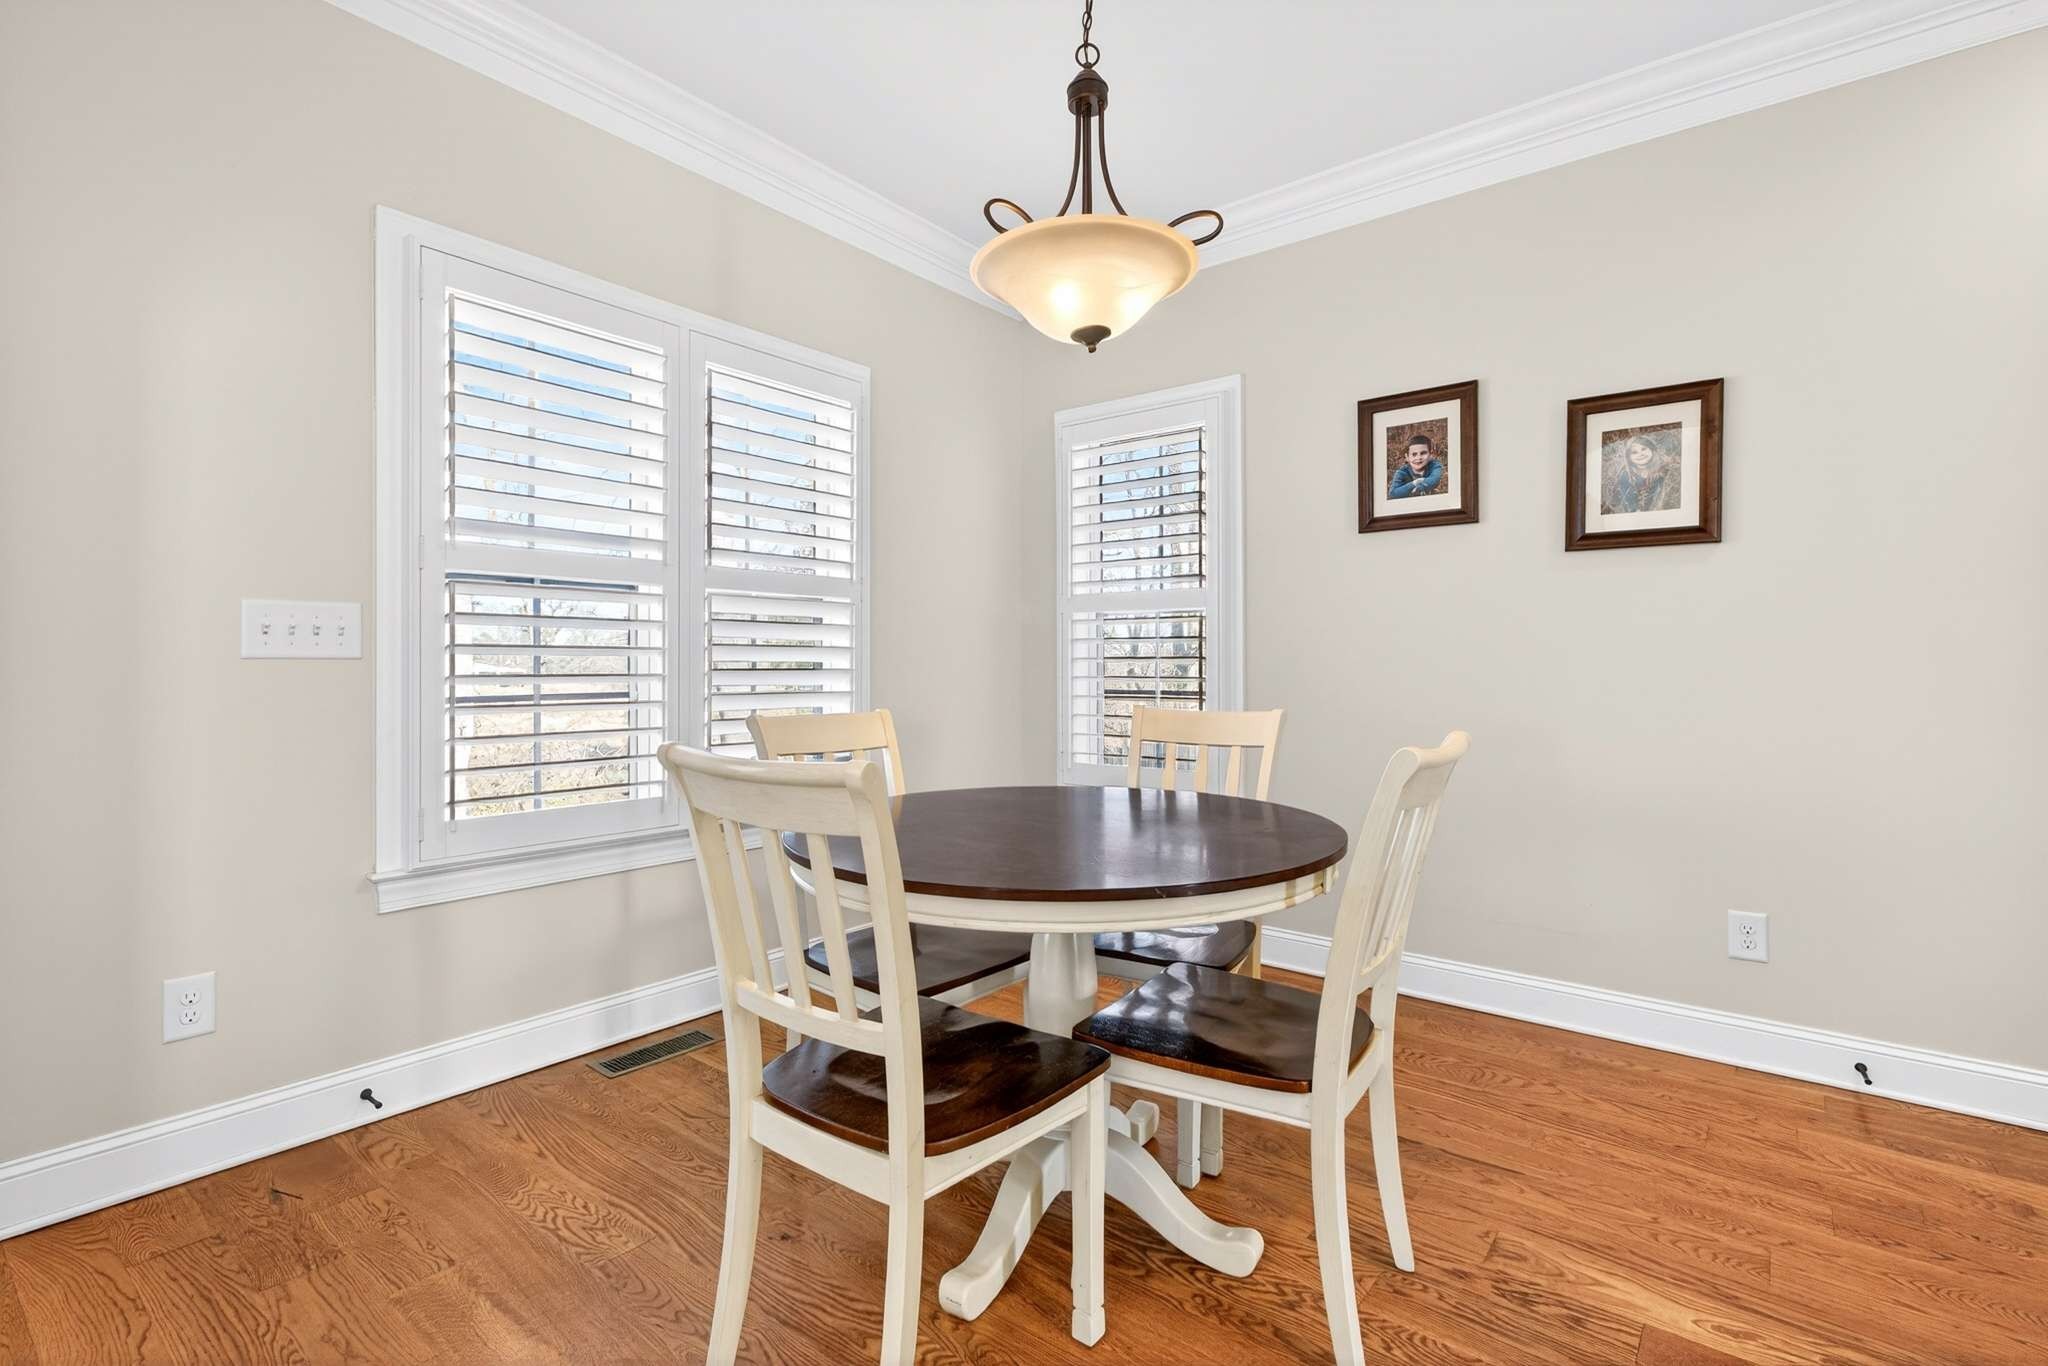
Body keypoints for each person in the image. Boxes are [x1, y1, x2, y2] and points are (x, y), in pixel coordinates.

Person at [1604, 432, 1680, 513]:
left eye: (1644, 449)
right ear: (1628, 458)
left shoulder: (1664, 468)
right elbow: (1628, 501)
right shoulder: (1626, 476)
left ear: (1652, 449)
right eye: (1634, 452)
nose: (1640, 454)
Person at [1389, 432, 1445, 498]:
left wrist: (1420, 488)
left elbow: (1435, 479)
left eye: (1423, 453)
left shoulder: (1435, 465)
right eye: (1414, 454)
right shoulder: (1402, 472)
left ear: (1431, 454)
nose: (1418, 458)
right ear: (1407, 457)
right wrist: (1414, 483)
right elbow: (1393, 493)